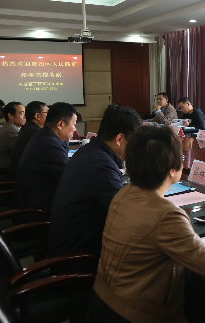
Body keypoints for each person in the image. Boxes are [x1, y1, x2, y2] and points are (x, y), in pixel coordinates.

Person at [83, 125, 205, 323]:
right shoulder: (166, 215)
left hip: (101, 304)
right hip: (136, 314)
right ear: (172, 170)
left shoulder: (123, 194)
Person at [48, 105, 142, 272]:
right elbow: (128, 214)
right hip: (80, 260)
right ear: (119, 138)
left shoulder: (88, 152)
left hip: (66, 246)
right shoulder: (101, 165)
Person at [15, 102, 76, 214]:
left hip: (37, 200)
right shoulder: (48, 144)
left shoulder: (44, 135)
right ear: (60, 124)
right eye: (74, 124)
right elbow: (72, 177)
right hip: (40, 211)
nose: (75, 129)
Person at [8, 101, 49, 179]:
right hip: (23, 179)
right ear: (37, 116)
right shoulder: (36, 133)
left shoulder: (29, 127)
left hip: (21, 174)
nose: (50, 116)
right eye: (47, 112)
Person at [0, 102, 26, 169]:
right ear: (10, 116)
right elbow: (25, 151)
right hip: (0, 172)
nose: (25, 116)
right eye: (22, 113)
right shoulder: (11, 130)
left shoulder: (8, 126)